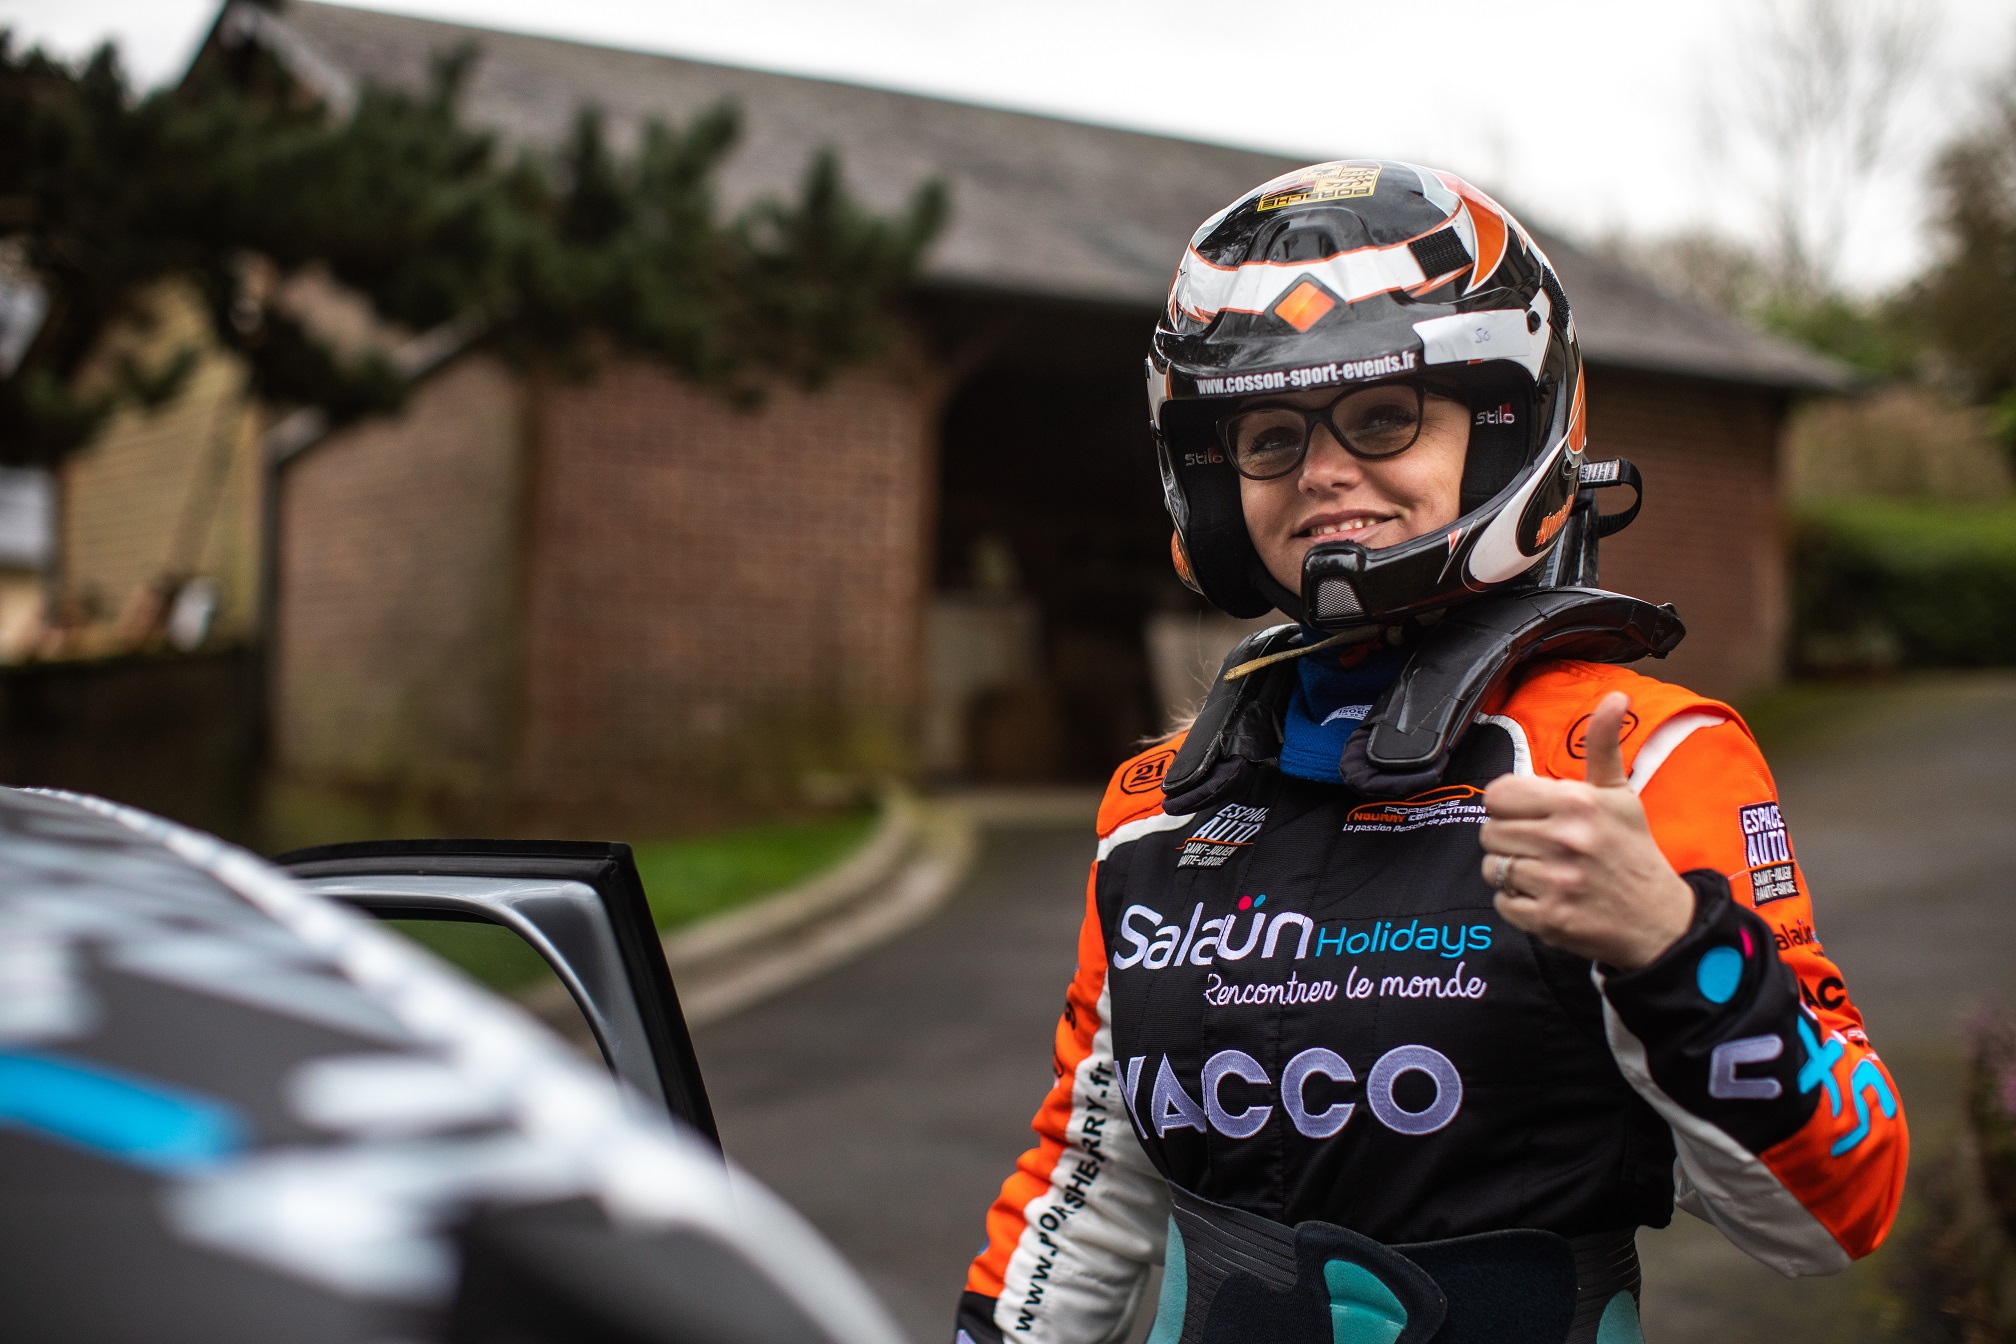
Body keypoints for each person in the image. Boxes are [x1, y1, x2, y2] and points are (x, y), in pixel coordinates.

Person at [952, 161, 1907, 1344]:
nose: (1321, 471)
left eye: (1383, 417)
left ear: (1501, 425)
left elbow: (1834, 1214)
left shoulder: (1638, 761)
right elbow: (1088, 1179)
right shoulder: (1159, 805)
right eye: (1269, 436)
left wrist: (1669, 946)